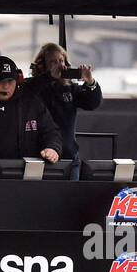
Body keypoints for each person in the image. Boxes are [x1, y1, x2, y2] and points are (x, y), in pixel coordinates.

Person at [23, 42, 102, 180]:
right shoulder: (34, 86)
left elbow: (91, 103)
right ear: (43, 65)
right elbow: (26, 89)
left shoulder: (70, 88)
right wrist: (49, 76)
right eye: (53, 62)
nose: (59, 65)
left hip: (68, 155)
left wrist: (90, 82)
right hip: (39, 155)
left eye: (61, 61)